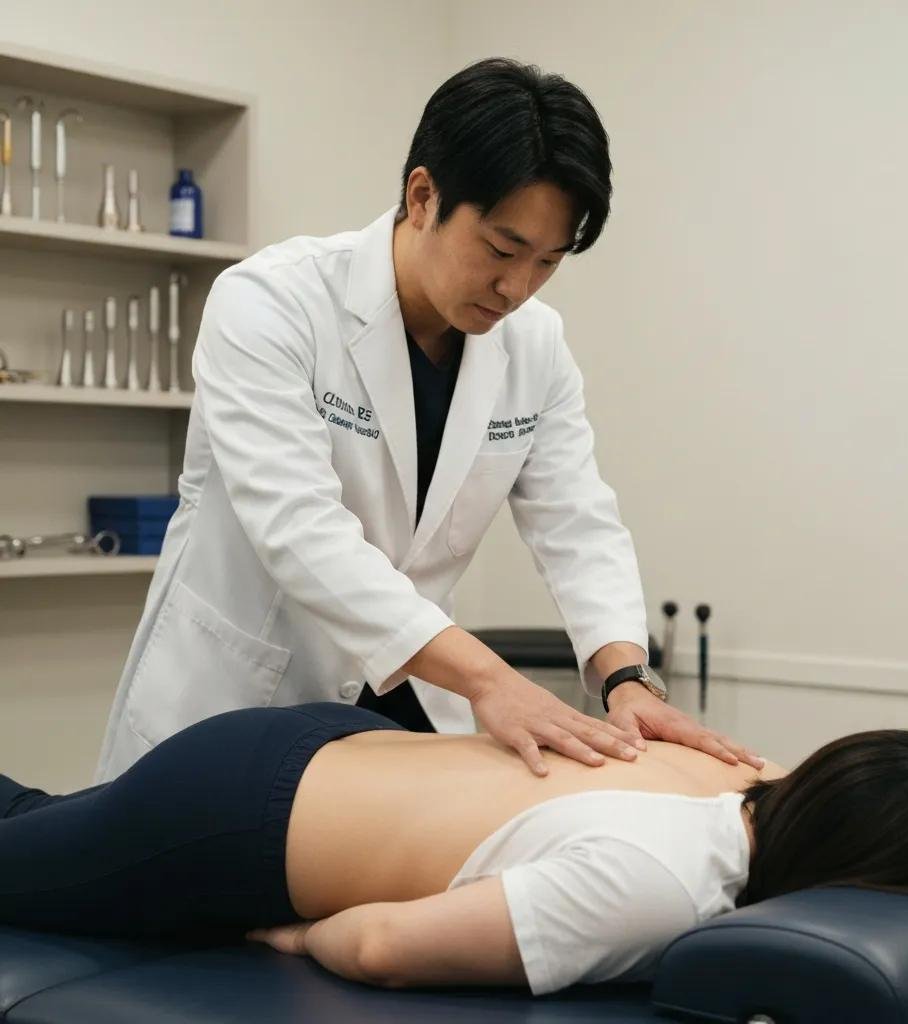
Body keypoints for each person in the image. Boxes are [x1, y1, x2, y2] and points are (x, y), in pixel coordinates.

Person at [93, 56, 763, 783]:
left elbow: (578, 525)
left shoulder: (535, 347)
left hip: (398, 702)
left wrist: (625, 678)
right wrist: (489, 681)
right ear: (422, 195)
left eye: (548, 261)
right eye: (502, 250)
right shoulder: (269, 304)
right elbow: (298, 529)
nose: (517, 288)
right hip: (236, 697)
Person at [1, 704, 908, 996]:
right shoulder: (659, 885)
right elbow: (386, 948)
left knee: (37, 826)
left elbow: (882, 788)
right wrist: (290, 934)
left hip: (317, 743)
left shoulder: (745, 771)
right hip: (231, 821)